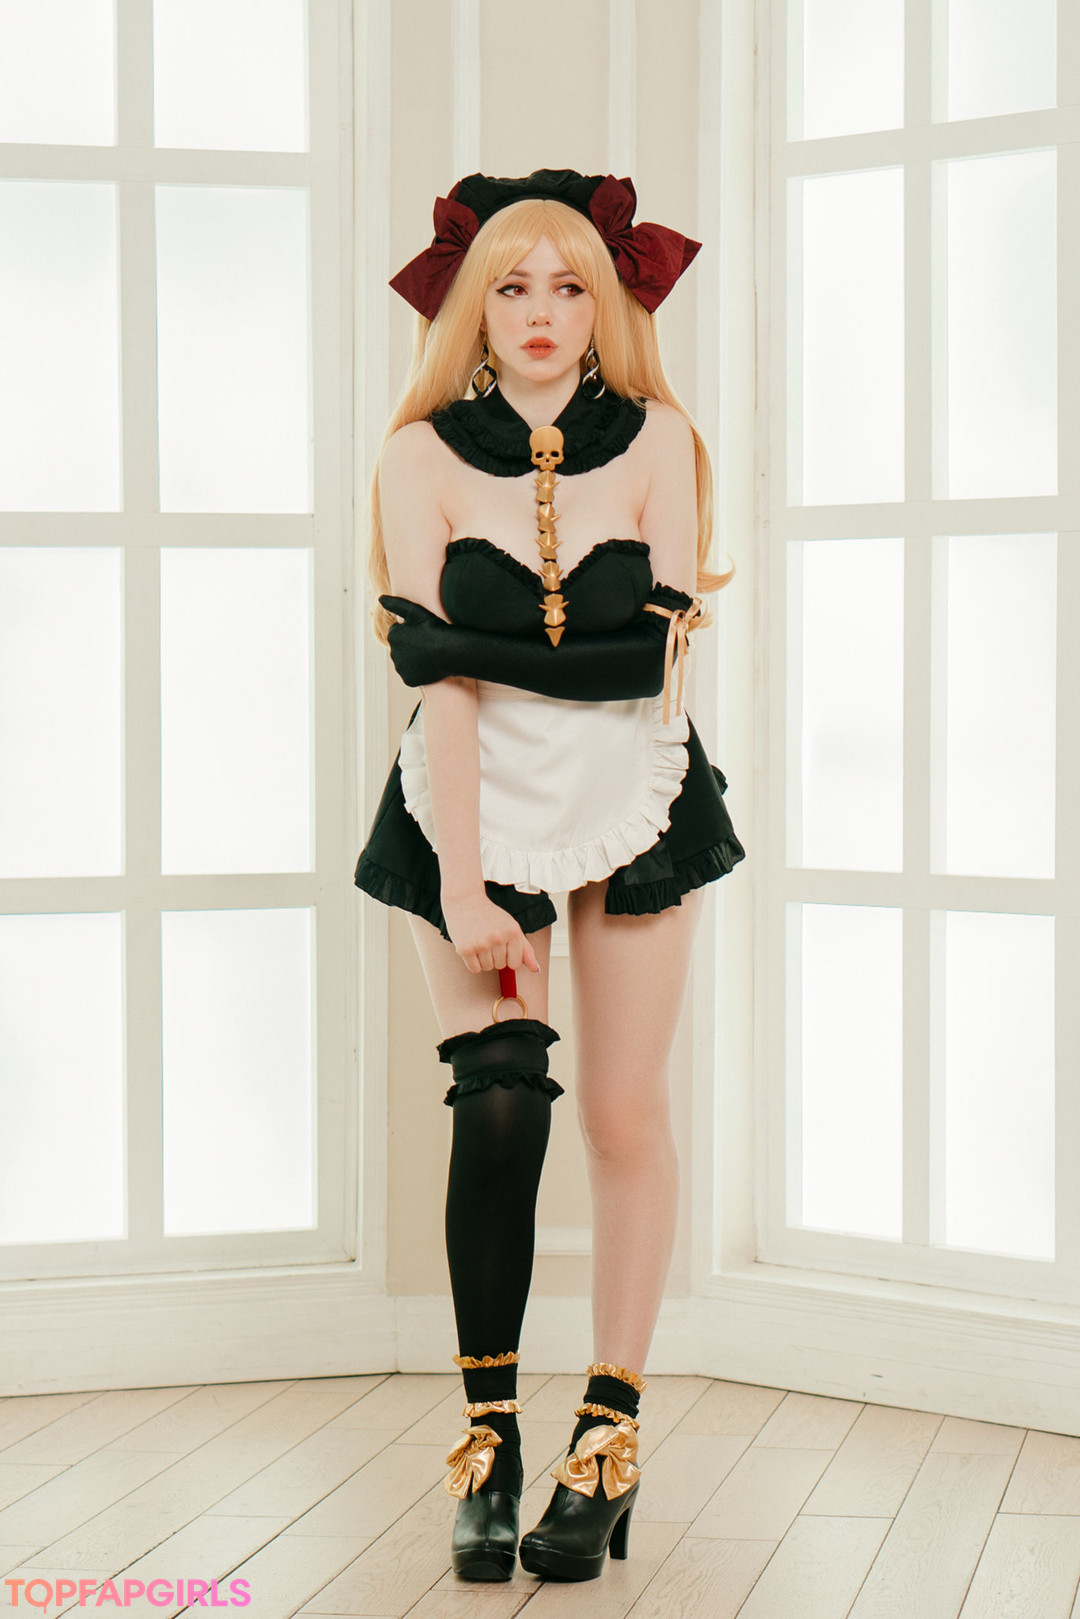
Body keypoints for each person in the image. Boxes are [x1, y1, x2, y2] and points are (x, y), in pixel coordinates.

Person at [354, 169, 746, 1583]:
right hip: (465, 802)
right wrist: (464, 886)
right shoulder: (418, 457)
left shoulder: (660, 440)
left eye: (571, 285)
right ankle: (487, 1441)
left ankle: (606, 1442)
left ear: (607, 303)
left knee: (626, 1113)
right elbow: (436, 693)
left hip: (635, 789)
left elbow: (646, 662)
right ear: (471, 303)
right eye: (510, 285)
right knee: (502, 1097)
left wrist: (454, 641)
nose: (539, 311)